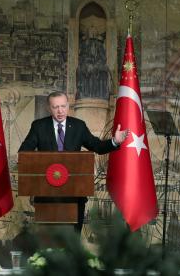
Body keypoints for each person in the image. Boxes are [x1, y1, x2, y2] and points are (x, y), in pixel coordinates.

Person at [18, 91, 129, 232]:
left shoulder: (79, 126)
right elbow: (24, 153)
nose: (60, 111)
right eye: (55, 107)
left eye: (63, 106)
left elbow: (97, 147)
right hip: (47, 195)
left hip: (75, 195)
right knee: (46, 241)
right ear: (49, 108)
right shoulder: (38, 126)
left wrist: (115, 141)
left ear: (68, 105)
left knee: (72, 243)